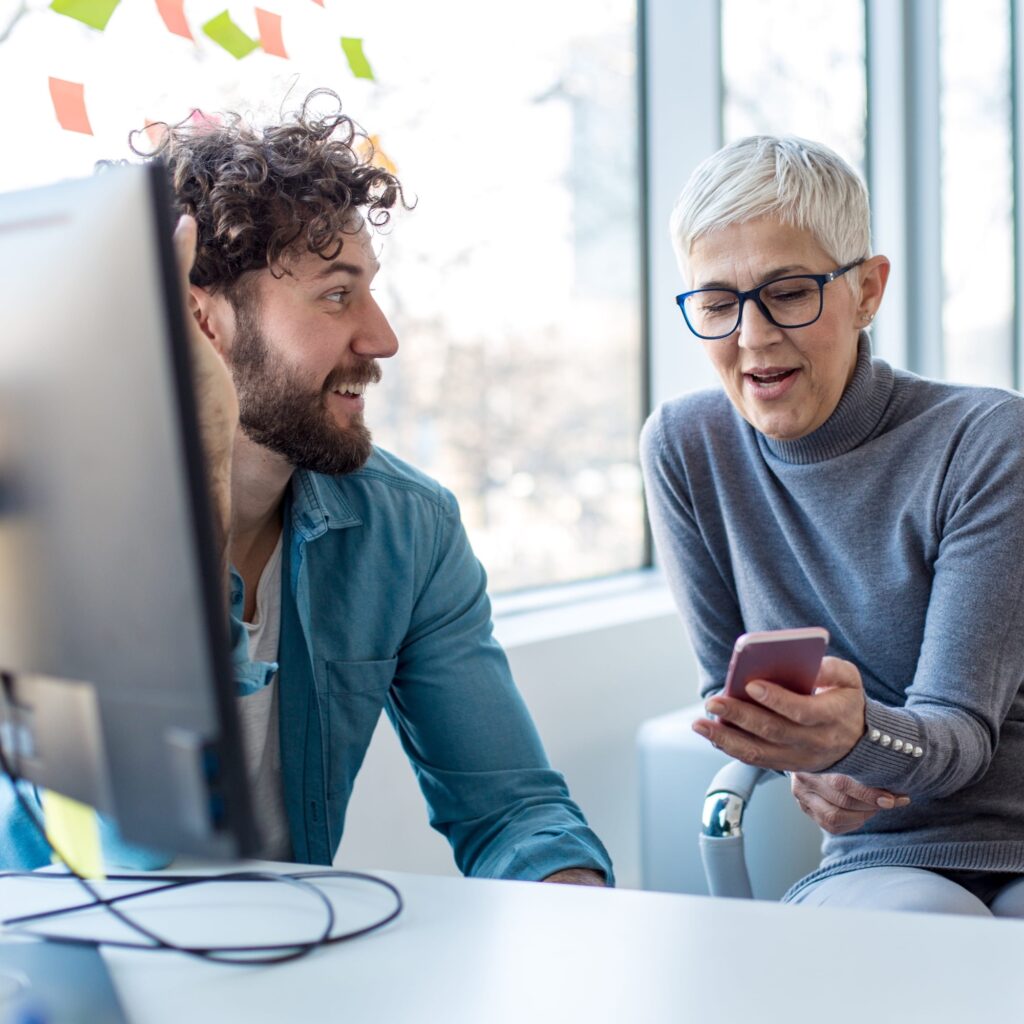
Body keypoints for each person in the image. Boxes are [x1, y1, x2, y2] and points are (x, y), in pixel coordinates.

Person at [0, 91, 612, 887]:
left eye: (369, 289)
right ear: (202, 319)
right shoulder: (41, 527)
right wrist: (202, 495)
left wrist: (579, 914)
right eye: (336, 294)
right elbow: (134, 864)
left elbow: (512, 812)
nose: (382, 337)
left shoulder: (407, 530)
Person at [640, 134, 1024, 915]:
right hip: (881, 858)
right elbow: (734, 691)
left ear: (868, 291)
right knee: (912, 929)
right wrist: (799, 755)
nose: (751, 338)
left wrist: (854, 741)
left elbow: (960, 735)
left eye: (787, 292)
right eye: (717, 303)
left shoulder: (985, 439)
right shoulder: (685, 448)